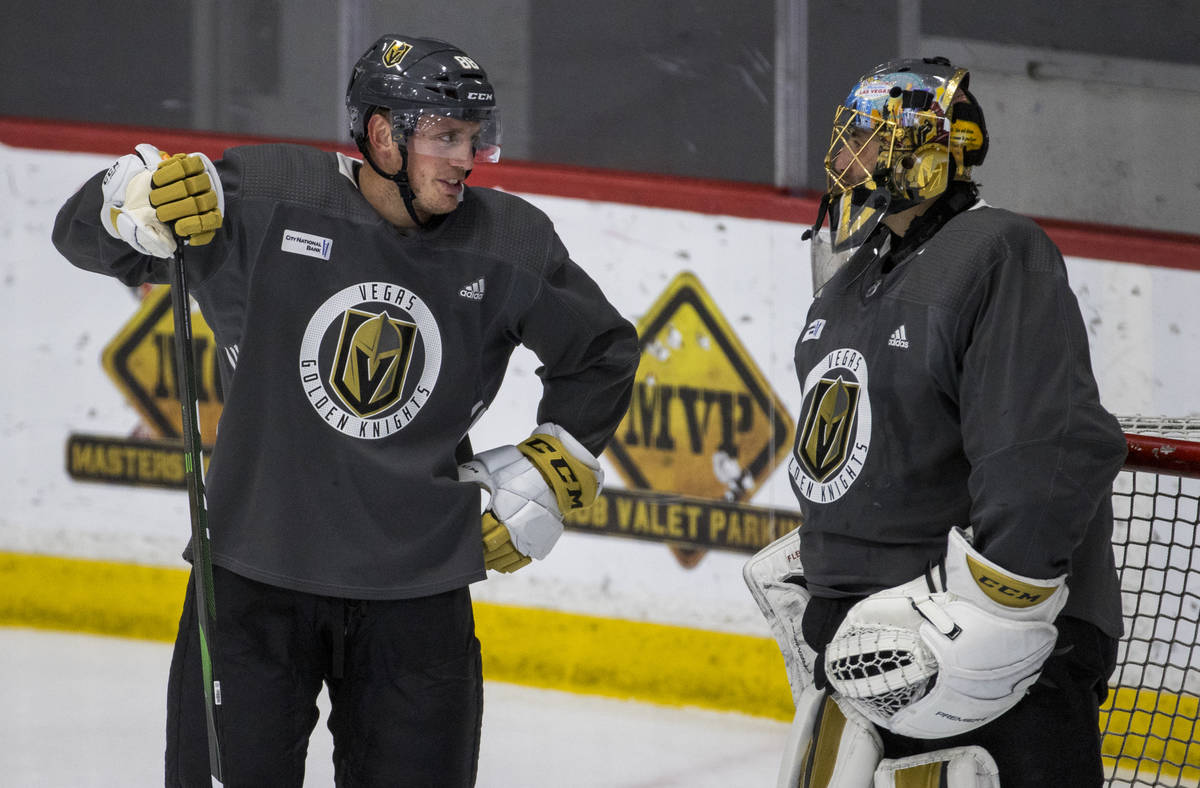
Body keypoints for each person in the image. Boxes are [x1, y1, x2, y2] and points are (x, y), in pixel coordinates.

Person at [53, 35, 639, 787]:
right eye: (445, 136)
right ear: (382, 135)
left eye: (474, 138)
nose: (465, 158)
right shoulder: (261, 199)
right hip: (252, 581)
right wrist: (123, 201)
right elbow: (84, 239)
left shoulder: (509, 242)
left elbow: (601, 353)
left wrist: (556, 463)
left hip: (418, 595)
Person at [745, 57, 1126, 787]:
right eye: (847, 136)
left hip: (972, 649)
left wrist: (996, 619)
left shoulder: (997, 252)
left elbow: (1043, 450)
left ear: (929, 153)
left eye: (869, 138)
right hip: (869, 644)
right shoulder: (853, 275)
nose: (845, 156)